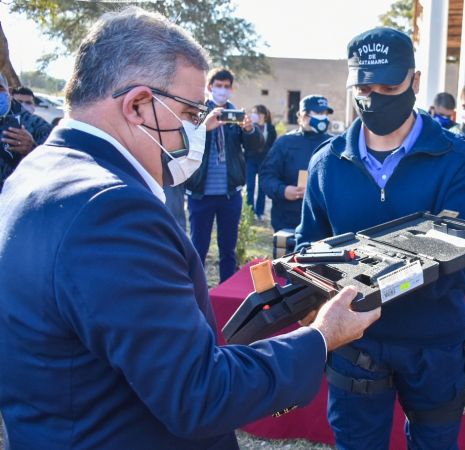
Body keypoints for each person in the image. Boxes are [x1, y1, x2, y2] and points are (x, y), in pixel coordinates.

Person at [0, 8, 379, 449]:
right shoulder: (112, 210)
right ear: (138, 105)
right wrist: (320, 338)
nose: (196, 128)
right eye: (189, 111)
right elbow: (198, 395)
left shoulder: (37, 171)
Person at [296, 27, 465, 449]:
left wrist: (363, 267)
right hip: (354, 343)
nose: (376, 96)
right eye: (364, 86)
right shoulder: (327, 163)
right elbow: (307, 247)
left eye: (390, 85)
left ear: (415, 82)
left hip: (434, 344)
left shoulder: (460, 160)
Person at [183, 68, 264, 283]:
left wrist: (249, 130)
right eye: (219, 85)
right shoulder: (196, 114)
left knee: (228, 249)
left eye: (227, 86)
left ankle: (225, 291)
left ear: (232, 89)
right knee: (198, 247)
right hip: (200, 193)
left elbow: (255, 148)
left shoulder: (236, 115)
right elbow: (182, 143)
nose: (223, 90)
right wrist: (204, 127)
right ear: (210, 87)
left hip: (230, 194)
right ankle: (196, 293)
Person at [260, 95, 332, 232]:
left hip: (324, 224)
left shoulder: (334, 144)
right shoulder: (285, 143)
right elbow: (266, 177)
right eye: (318, 113)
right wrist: (283, 190)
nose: (323, 117)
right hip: (288, 221)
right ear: (304, 116)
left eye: (325, 113)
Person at [0, 76, 53, 191]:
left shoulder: (38, 126)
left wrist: (31, 149)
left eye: (0, 89)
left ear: (8, 92)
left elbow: (54, 168)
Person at [246, 104, 276, 220]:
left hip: (264, 160)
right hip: (251, 159)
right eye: (253, 113)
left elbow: (273, 144)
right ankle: (249, 212)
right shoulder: (250, 127)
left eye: (257, 113)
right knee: (250, 186)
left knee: (262, 188)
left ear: (263, 115)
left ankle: (260, 212)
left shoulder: (271, 128)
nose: (255, 116)